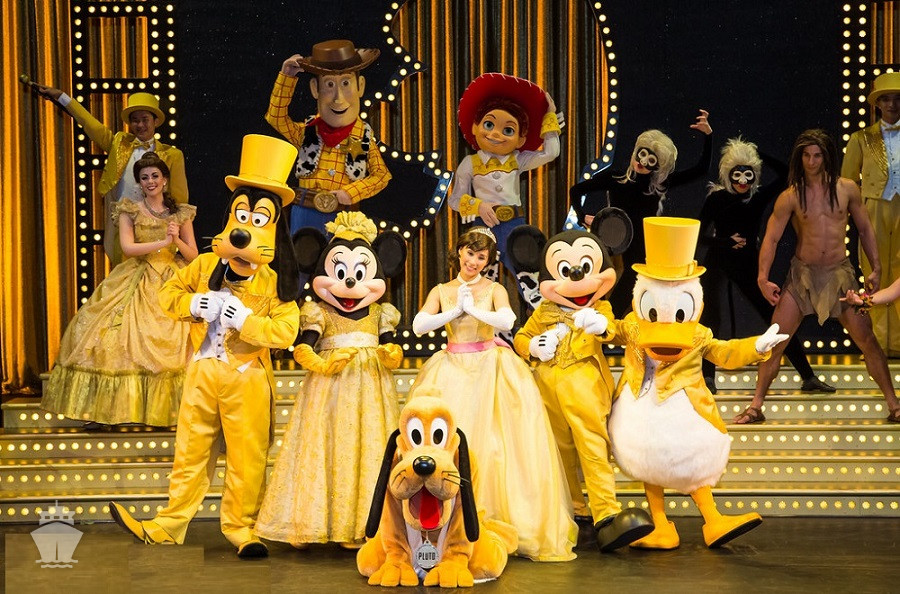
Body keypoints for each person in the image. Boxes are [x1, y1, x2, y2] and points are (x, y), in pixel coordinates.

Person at [108, 134, 302, 558]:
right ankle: (168, 524)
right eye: (241, 215)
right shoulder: (205, 264)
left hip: (246, 378)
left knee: (247, 457)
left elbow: (287, 331)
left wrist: (249, 322)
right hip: (201, 372)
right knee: (189, 452)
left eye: (258, 219)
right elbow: (168, 295)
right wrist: (193, 304)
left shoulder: (275, 281)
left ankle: (241, 528)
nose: (244, 227)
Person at [407, 228, 577, 562]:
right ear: (459, 252)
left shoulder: (495, 289)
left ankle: (497, 522)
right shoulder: (441, 290)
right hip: (451, 368)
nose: (473, 261)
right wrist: (454, 311)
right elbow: (419, 325)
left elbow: (508, 320)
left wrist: (474, 311)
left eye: (481, 257)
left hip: (490, 366)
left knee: (497, 447)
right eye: (469, 253)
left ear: (488, 261)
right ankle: (447, 525)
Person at [255, 212, 405, 548]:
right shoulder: (318, 312)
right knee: (324, 448)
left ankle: (364, 524)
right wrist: (324, 365)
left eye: (360, 273)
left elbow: (392, 349)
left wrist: (390, 355)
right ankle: (312, 523)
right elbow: (302, 349)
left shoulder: (381, 313)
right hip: (329, 390)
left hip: (370, 387)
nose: (349, 283)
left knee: (368, 449)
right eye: (340, 272)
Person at [736, 129, 900, 424]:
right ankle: (755, 407)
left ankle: (894, 405)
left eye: (817, 155)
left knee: (868, 340)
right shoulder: (790, 196)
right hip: (803, 276)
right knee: (775, 341)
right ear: (799, 158)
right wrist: (762, 277)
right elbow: (771, 238)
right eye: (807, 155)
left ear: (827, 157)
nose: (812, 161)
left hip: (840, 276)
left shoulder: (847, 189)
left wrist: (874, 268)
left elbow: (865, 229)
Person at [41, 152, 197, 428]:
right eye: (144, 177)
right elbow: (128, 247)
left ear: (164, 179)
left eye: (155, 176)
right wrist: (163, 242)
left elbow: (193, 255)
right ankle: (107, 411)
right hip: (137, 275)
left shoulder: (180, 213)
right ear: (139, 182)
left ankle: (166, 412)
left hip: (171, 280)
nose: (150, 181)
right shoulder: (129, 209)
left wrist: (175, 240)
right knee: (110, 336)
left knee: (176, 339)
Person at [699, 137, 834, 393]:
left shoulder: (757, 197)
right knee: (711, 319)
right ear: (728, 174)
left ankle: (808, 376)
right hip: (717, 262)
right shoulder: (716, 199)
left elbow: (785, 173)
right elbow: (697, 235)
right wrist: (725, 242)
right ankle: (707, 378)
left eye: (748, 174)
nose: (742, 181)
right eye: (737, 174)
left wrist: (755, 150)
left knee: (777, 319)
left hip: (748, 265)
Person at [569, 111, 712, 316]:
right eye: (642, 154)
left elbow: (700, 170)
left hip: (640, 243)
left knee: (632, 281)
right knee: (597, 276)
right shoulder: (616, 177)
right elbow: (576, 190)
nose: (643, 162)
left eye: (650, 160)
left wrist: (708, 136)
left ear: (658, 166)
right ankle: (590, 316)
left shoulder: (658, 185)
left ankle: (608, 319)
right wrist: (582, 216)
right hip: (613, 238)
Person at [30, 84, 188, 266]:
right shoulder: (119, 144)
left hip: (157, 227)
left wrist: (181, 237)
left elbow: (180, 199)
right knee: (123, 274)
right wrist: (62, 97)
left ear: (155, 121)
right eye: (135, 120)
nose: (140, 125)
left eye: (145, 119)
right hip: (124, 223)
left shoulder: (172, 155)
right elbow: (90, 124)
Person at [448, 73, 562, 308]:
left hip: (514, 226)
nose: (496, 134)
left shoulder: (518, 159)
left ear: (520, 139)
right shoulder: (470, 163)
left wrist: (549, 118)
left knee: (529, 275)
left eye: (508, 130)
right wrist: (479, 205)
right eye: (489, 125)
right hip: (482, 227)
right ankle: (480, 327)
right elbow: (454, 200)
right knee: (479, 282)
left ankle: (544, 321)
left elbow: (551, 153)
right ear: (475, 127)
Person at [266, 39, 391, 234]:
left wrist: (350, 193)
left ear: (360, 86)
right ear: (315, 89)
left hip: (344, 217)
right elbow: (276, 118)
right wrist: (287, 78)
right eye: (329, 85)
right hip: (304, 212)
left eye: (346, 83)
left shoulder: (363, 137)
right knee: (302, 252)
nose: (338, 98)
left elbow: (382, 175)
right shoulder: (307, 132)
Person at [841, 72, 900, 357]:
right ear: (877, 104)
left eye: (897, 99)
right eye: (886, 99)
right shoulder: (861, 138)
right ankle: (876, 343)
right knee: (874, 271)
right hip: (874, 207)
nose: (892, 105)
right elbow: (847, 181)